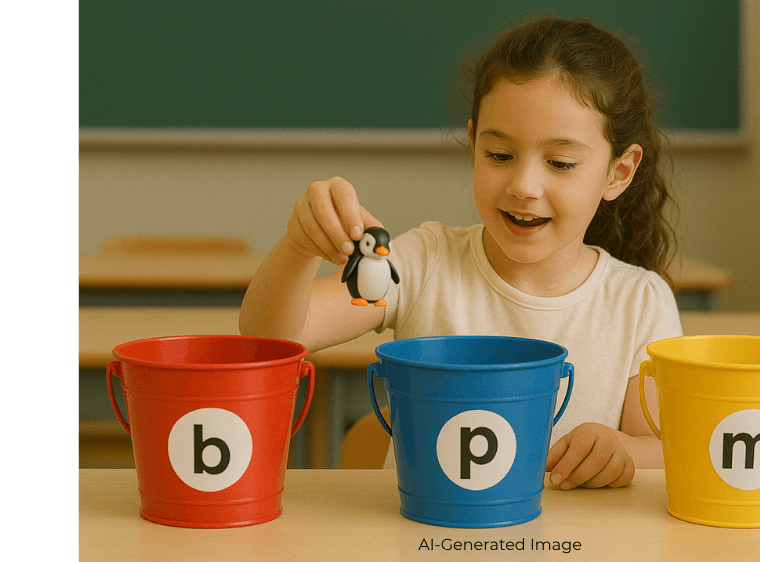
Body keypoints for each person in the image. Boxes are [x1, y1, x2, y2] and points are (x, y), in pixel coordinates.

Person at [240, 16, 682, 489]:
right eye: (498, 155)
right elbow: (275, 335)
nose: (524, 185)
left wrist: (622, 451)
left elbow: (664, 447)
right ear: (473, 143)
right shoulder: (420, 265)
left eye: (560, 163)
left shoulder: (640, 302)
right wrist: (299, 247)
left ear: (618, 171)